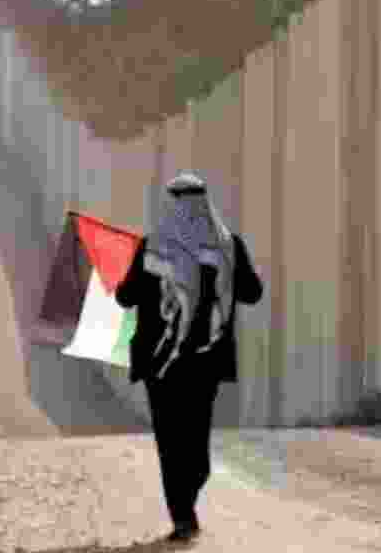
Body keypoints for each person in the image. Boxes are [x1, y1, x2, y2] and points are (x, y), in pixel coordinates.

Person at [114, 171, 264, 545]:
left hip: (164, 362)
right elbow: (252, 292)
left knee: (174, 441)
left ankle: (183, 512)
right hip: (202, 362)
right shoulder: (228, 247)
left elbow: (125, 297)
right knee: (193, 440)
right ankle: (185, 511)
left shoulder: (153, 249)